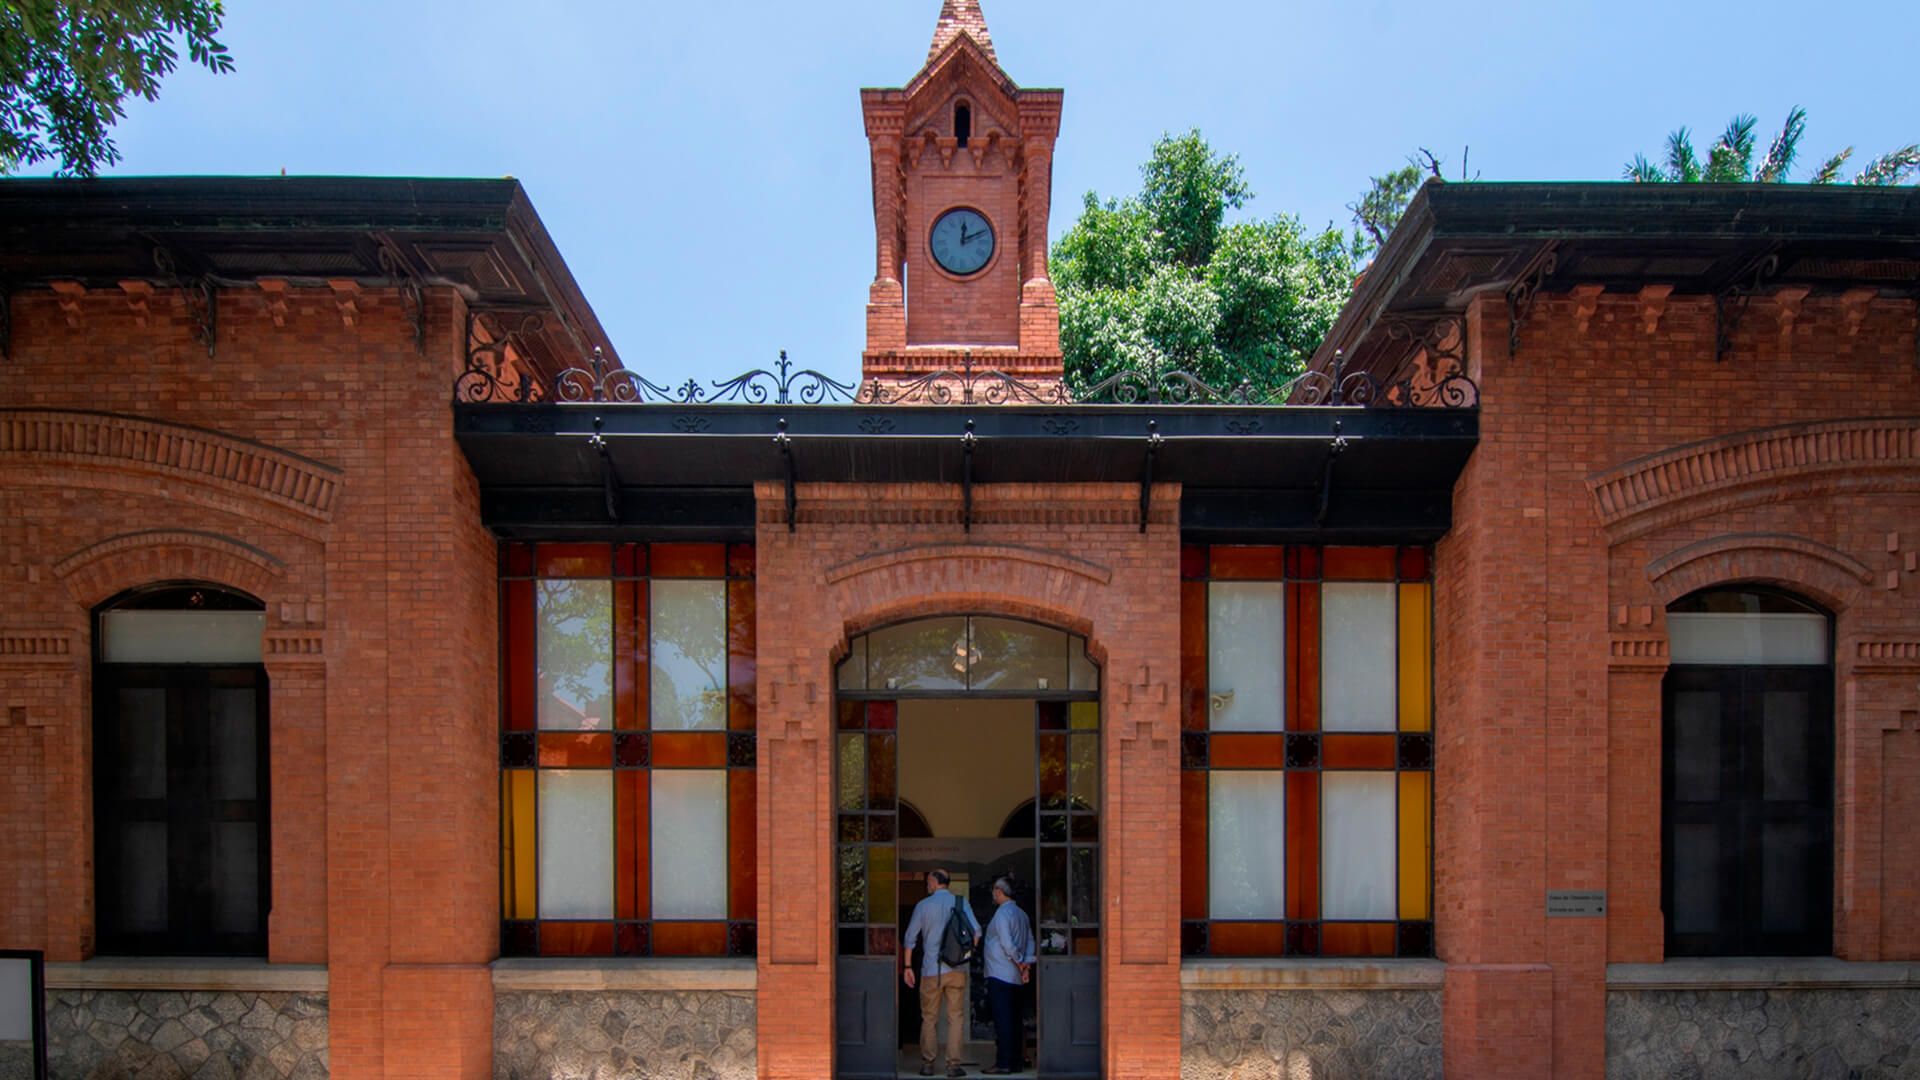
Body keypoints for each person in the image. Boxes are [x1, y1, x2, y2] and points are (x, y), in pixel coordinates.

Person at [902, 869, 983, 1078]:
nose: (927, 885)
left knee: (929, 1018)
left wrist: (908, 967)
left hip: (931, 970)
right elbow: (976, 933)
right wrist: (963, 955)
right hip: (956, 970)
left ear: (933, 882)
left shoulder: (923, 905)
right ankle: (953, 1066)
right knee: (956, 1018)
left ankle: (928, 1064)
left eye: (928, 881)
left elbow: (910, 938)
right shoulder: (960, 902)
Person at [980, 877, 1035, 1075]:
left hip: (1000, 973)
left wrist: (1020, 961)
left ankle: (1003, 1063)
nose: (993, 894)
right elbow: (1030, 940)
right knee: (1015, 1019)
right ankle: (1016, 1062)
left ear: (1000, 892)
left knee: (1002, 1020)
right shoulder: (1022, 914)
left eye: (994, 889)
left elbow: (1006, 943)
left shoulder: (1002, 914)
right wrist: (1026, 965)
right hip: (1017, 977)